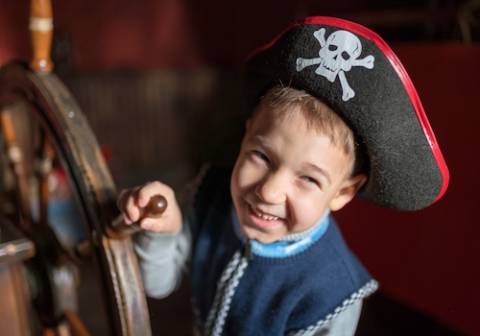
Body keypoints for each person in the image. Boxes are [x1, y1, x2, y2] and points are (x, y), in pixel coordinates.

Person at [117, 16, 449, 336]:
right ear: (245, 137)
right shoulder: (209, 195)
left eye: (308, 179)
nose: (269, 191)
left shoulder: (331, 292)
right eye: (261, 156)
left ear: (344, 193)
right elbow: (157, 285)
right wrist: (164, 231)